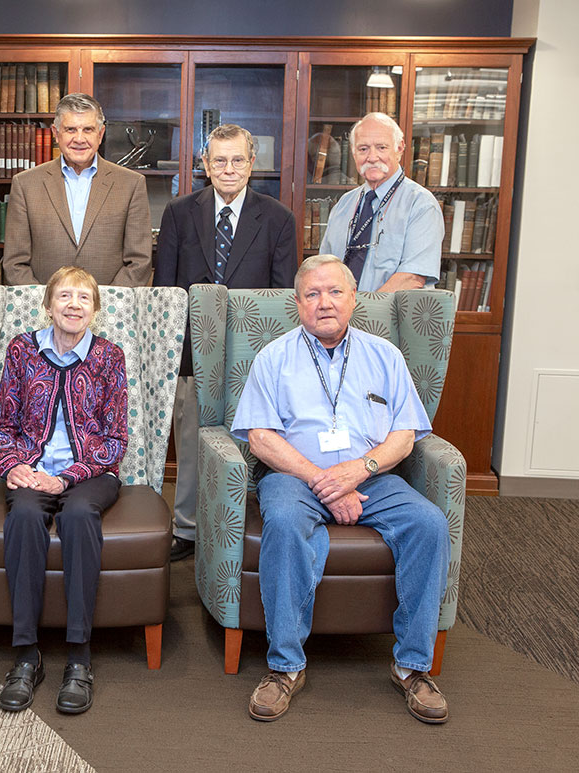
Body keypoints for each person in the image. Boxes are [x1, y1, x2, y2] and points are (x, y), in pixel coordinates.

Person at [230, 254, 450, 724]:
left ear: (354, 298)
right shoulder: (274, 357)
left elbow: (405, 434)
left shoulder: (384, 356)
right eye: (312, 294)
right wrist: (323, 480)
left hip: (371, 478)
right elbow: (260, 437)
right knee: (286, 522)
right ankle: (285, 667)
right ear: (297, 304)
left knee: (429, 524)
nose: (324, 302)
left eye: (334, 292)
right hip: (295, 478)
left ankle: (413, 667)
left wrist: (358, 470)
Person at [154, 123, 297, 561]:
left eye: (238, 160)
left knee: (254, 446)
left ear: (252, 164)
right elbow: (167, 291)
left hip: (255, 354)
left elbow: (283, 298)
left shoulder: (278, 219)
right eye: (219, 160)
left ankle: (242, 526)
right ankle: (189, 529)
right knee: (194, 442)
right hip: (193, 355)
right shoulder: (179, 213)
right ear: (205, 165)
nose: (228, 168)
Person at [0, 266, 128, 715]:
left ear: (95, 311)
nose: (73, 305)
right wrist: (14, 466)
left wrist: (68, 477)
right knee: (26, 516)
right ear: (47, 305)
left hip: (91, 473)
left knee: (77, 516)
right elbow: (4, 424)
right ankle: (27, 655)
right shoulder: (22, 350)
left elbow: (115, 439)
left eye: (83, 298)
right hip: (31, 471)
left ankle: (79, 657)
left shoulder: (110, 356)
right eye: (64, 296)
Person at [2, 94, 152, 287]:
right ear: (56, 134)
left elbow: (139, 261)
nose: (79, 139)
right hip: (44, 312)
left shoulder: (131, 184)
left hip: (110, 311)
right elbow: (15, 263)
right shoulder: (25, 184)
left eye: (88, 129)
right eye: (70, 129)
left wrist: (105, 305)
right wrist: (46, 306)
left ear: (101, 133)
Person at [319, 112, 443, 292]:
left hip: (392, 317)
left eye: (381, 147)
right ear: (353, 153)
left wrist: (363, 314)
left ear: (399, 149)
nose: (372, 157)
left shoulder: (421, 205)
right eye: (363, 149)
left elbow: (411, 278)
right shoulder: (343, 205)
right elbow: (325, 269)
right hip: (342, 317)